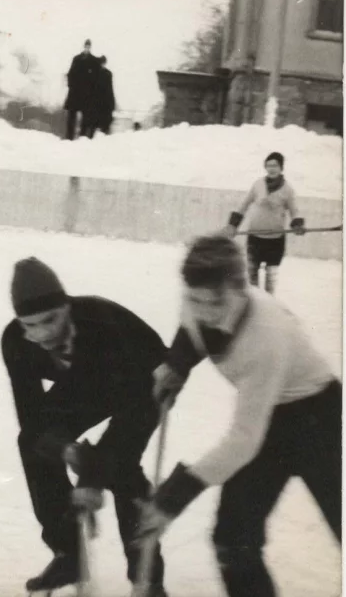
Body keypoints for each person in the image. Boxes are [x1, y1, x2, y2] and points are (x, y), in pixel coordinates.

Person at [138, 234, 341, 597]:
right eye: (195, 300)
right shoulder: (196, 298)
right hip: (270, 420)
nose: (202, 311)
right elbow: (191, 329)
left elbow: (244, 441)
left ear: (241, 287)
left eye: (213, 304)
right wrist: (177, 365)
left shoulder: (266, 336)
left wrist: (174, 496)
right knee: (233, 541)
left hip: (319, 419)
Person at [1, 257, 168, 596]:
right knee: (32, 445)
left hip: (144, 379)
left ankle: (146, 575)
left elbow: (129, 424)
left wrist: (91, 478)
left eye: (50, 320)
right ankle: (68, 552)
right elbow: (32, 420)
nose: (41, 333)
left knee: (122, 470)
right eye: (30, 325)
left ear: (67, 307)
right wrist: (66, 450)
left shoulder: (102, 325)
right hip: (82, 382)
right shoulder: (16, 340)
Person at [223, 152, 306, 294]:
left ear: (281, 167)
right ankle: (255, 306)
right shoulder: (258, 184)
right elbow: (244, 205)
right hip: (255, 238)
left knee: (270, 279)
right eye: (268, 165)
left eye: (275, 165)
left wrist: (298, 225)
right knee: (252, 276)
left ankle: (269, 304)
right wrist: (233, 225)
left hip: (275, 240)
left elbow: (294, 211)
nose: (271, 168)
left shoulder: (288, 189)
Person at [63, 39, 99, 140]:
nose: (87, 48)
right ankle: (69, 137)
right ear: (84, 47)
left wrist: (91, 91)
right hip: (75, 92)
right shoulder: (76, 59)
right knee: (71, 116)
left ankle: (82, 138)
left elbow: (95, 79)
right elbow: (70, 74)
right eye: (86, 46)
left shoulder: (93, 61)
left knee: (86, 117)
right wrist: (71, 86)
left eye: (88, 46)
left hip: (86, 94)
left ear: (90, 47)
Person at [85, 55, 115, 137]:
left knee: (105, 125)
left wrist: (112, 104)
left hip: (105, 103)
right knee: (93, 125)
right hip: (95, 102)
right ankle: (89, 140)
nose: (102, 65)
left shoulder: (108, 74)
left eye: (104, 63)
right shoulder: (94, 73)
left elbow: (110, 89)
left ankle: (105, 140)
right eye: (101, 63)